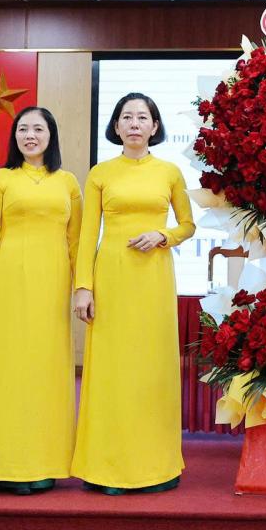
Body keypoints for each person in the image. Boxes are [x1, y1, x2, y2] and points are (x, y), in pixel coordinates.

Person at [71, 93, 195, 494]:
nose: (135, 124)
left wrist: (163, 234)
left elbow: (188, 225)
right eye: (127, 117)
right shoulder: (100, 173)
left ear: (155, 126)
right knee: (112, 370)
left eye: (143, 117)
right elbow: (87, 235)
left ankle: (157, 466)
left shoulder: (169, 172)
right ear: (116, 126)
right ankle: (105, 466)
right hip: (112, 276)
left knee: (152, 368)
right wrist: (83, 287)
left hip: (153, 278)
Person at [0, 106, 81, 496]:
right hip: (10, 280)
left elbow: (76, 243)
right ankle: (1, 463)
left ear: (51, 136)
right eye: (23, 129)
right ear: (14, 137)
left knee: (47, 369)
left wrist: (84, 286)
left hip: (53, 283)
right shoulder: (1, 180)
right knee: (8, 368)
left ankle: (44, 462)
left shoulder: (68, 182)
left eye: (38, 129)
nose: (30, 135)